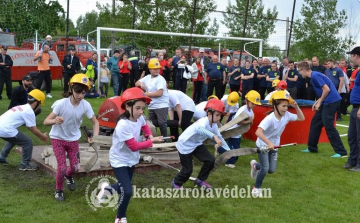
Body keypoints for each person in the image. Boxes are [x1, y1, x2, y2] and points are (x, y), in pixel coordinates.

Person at [97, 87, 163, 223]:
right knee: (127, 191)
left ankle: (107, 190)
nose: (141, 112)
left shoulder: (139, 118)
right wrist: (151, 141)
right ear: (127, 106)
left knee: (123, 187)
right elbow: (133, 146)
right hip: (119, 160)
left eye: (143, 108)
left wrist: (148, 134)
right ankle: (120, 217)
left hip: (131, 159)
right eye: (138, 108)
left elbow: (144, 125)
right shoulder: (123, 125)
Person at [43, 73, 99, 201]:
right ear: (71, 89)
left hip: (73, 140)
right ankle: (59, 190)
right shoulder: (61, 104)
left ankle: (69, 176)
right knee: (61, 167)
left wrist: (94, 137)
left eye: (83, 93)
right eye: (78, 92)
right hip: (58, 139)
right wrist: (54, 121)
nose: (80, 96)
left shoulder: (86, 105)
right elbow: (46, 121)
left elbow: (95, 122)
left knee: (75, 167)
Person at [250, 91, 304, 197]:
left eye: (287, 106)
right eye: (283, 106)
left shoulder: (287, 115)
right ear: (275, 105)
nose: (286, 108)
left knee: (271, 170)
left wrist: (296, 106)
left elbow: (301, 118)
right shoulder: (269, 119)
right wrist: (269, 143)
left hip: (275, 146)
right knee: (265, 168)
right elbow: (258, 132)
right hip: (263, 145)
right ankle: (256, 188)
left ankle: (256, 166)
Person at [172, 99, 231, 189]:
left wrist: (229, 151)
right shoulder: (203, 121)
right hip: (185, 145)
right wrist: (214, 136)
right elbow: (199, 129)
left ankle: (200, 180)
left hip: (196, 144)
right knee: (188, 170)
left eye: (220, 115)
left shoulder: (214, 125)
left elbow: (220, 138)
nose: (219, 118)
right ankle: (176, 182)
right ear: (209, 113)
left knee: (210, 160)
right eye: (217, 115)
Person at [298, 61, 348, 157]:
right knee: (315, 124)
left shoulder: (315, 76)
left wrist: (319, 102)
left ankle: (341, 152)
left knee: (328, 126)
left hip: (331, 102)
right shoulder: (314, 75)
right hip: (326, 101)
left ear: (303, 70)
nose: (300, 73)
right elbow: (324, 91)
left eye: (299, 71)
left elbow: (326, 89)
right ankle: (312, 148)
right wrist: (317, 102)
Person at [0, 89, 48, 170]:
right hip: (6, 130)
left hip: (2, 128)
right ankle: (25, 164)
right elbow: (33, 129)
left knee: (13, 139)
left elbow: (30, 127)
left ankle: (1, 158)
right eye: (40, 104)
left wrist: (40, 136)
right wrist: (43, 136)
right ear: (36, 102)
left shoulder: (22, 107)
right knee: (27, 142)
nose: (39, 106)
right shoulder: (29, 111)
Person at [217, 90, 261, 168]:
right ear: (247, 101)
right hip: (234, 132)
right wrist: (249, 121)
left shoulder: (249, 109)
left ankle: (219, 148)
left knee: (231, 148)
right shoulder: (243, 110)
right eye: (253, 103)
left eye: (255, 104)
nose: (254, 105)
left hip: (238, 133)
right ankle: (229, 162)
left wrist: (250, 120)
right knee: (236, 150)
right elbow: (238, 122)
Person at [136, 59, 169, 138]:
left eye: (158, 68)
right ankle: (153, 139)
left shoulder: (160, 79)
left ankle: (165, 140)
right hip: (151, 105)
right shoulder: (147, 77)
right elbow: (136, 83)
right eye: (154, 68)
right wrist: (141, 85)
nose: (157, 70)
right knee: (151, 124)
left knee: (162, 124)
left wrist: (146, 94)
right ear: (150, 69)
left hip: (161, 105)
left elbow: (159, 93)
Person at [344, 47, 360, 171]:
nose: (350, 58)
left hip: (359, 108)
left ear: (356, 56)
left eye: (351, 56)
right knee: (352, 136)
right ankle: (352, 160)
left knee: (359, 137)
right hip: (355, 108)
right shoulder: (358, 70)